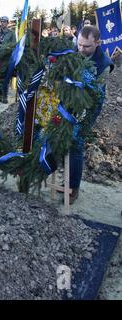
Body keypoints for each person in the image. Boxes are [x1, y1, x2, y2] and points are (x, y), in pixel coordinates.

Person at [68, 26, 114, 204]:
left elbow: (94, 95)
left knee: (76, 143)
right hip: (69, 99)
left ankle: (73, 187)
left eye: (86, 46)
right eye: (79, 44)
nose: (81, 49)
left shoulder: (104, 64)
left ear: (98, 43)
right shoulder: (74, 51)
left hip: (89, 105)